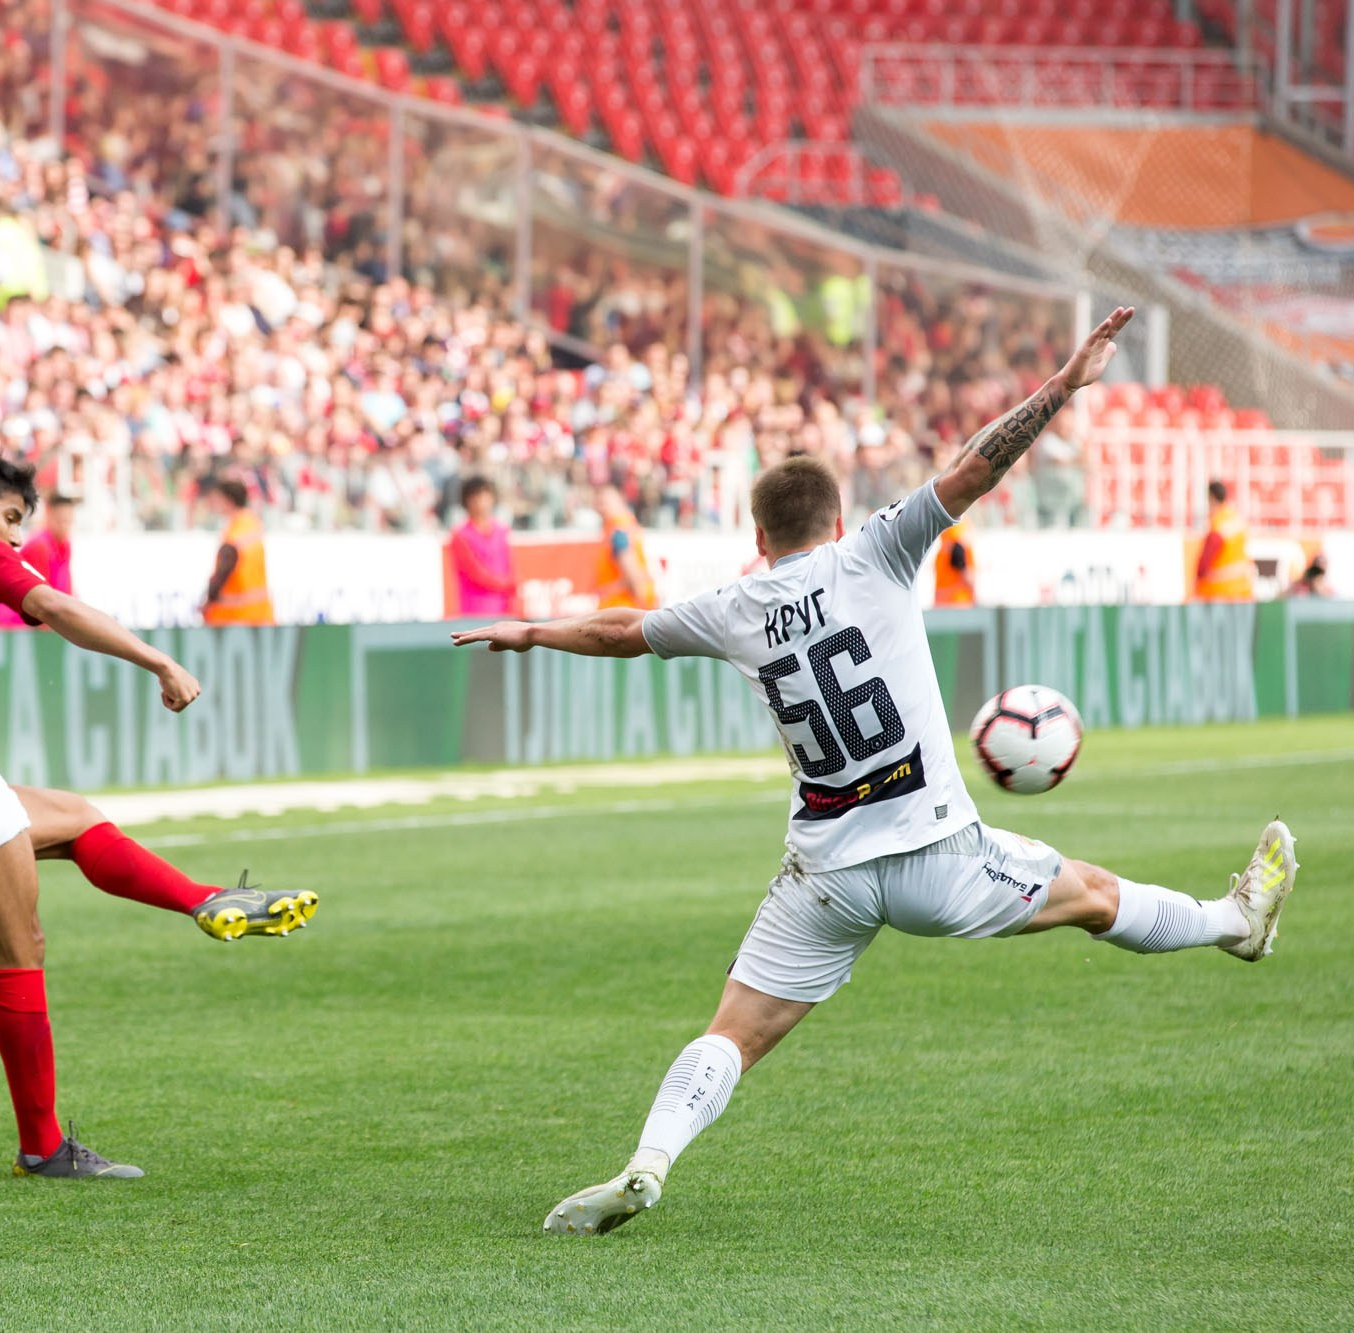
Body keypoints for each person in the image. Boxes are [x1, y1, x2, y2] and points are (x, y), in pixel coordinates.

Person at [453, 310, 1300, 1236]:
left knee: (729, 1034)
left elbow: (621, 631)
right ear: (839, 519)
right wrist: (1062, 385)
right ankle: (1235, 924)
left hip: (827, 874)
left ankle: (648, 1160)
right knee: (1094, 896)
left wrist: (530, 628)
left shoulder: (736, 605)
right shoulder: (879, 549)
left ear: (760, 536)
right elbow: (980, 465)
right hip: (939, 854)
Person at [0, 448, 318, 1181]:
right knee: (21, 946)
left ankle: (204, 899)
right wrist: (158, 661)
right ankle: (43, 1147)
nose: (16, 539)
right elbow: (54, 607)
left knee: (71, 817)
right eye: (11, 518)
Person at [0, 493, 76, 629]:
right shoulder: (39, 546)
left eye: (68, 521)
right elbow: (40, 604)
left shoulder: (66, 546)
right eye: (60, 520)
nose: (64, 526)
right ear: (49, 515)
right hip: (15, 625)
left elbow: (68, 590)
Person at [203, 477, 275, 627]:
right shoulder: (252, 522)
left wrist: (209, 599)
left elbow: (224, 570)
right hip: (261, 614)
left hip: (234, 617)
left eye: (218, 500)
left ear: (228, 501)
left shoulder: (235, 532)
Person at [448, 475, 516, 618]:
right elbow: (475, 573)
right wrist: (506, 584)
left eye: (485, 495)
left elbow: (510, 565)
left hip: (503, 609)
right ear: (467, 501)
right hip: (475, 611)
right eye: (476, 497)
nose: (481, 502)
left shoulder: (502, 530)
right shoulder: (460, 535)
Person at [593, 484, 657, 610]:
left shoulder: (618, 532)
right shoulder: (629, 527)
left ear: (620, 501)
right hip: (627, 607)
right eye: (598, 503)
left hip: (621, 608)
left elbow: (632, 573)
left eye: (604, 503)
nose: (600, 508)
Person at [1193, 481, 1254, 602]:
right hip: (1243, 589)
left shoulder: (1218, 525)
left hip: (1220, 592)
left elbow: (1204, 564)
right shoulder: (1237, 518)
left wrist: (1199, 580)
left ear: (1212, 498)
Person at [933, 522, 976, 607]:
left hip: (947, 603)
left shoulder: (945, 548)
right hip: (957, 602)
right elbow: (968, 578)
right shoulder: (958, 529)